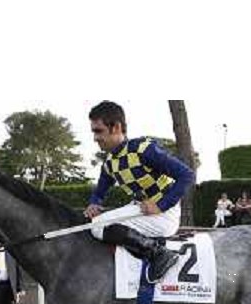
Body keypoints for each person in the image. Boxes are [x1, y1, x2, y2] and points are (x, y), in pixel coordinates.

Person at [84, 101, 196, 283]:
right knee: (95, 222)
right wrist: (94, 204)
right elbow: (100, 191)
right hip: (142, 210)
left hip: (163, 215)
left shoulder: (144, 149)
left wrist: (160, 205)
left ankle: (159, 255)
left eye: (98, 131)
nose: (95, 138)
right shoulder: (110, 163)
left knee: (97, 226)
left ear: (116, 127)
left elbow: (187, 175)